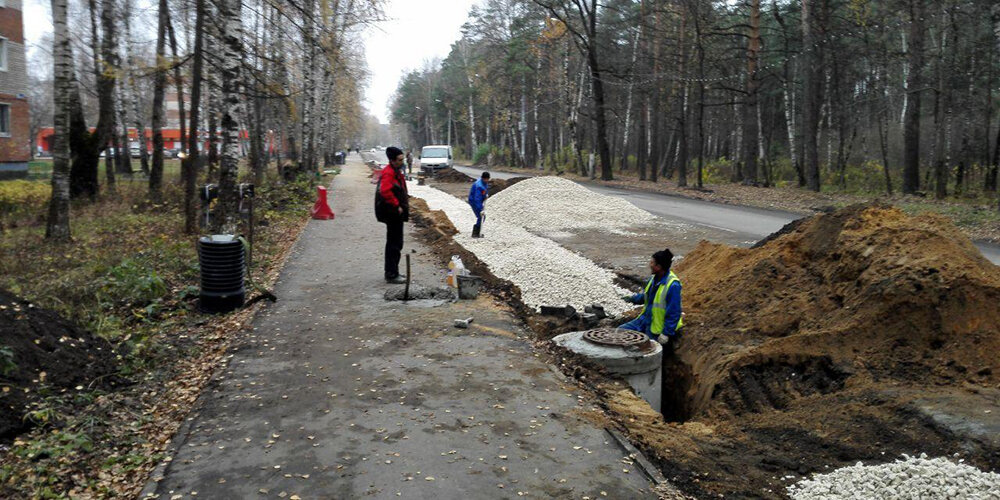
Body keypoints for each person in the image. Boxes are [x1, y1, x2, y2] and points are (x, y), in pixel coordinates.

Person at [620, 249, 682, 345]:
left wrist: (666, 333)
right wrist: (631, 299)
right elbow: (646, 296)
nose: (650, 264)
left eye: (652, 262)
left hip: (656, 327)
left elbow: (674, 312)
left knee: (646, 348)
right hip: (644, 319)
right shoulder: (654, 279)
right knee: (620, 332)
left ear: (659, 267)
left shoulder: (673, 285)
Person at [375, 146, 409, 284]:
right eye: (400, 159)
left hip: (395, 213)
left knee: (395, 243)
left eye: (403, 158)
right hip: (392, 213)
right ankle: (391, 274)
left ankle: (392, 271)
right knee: (394, 244)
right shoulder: (389, 173)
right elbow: (385, 191)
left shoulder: (396, 171)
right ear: (392, 160)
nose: (402, 161)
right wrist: (397, 205)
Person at [467, 171, 490, 238]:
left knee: (482, 217)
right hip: (474, 202)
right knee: (481, 216)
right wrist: (480, 209)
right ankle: (475, 233)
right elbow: (477, 199)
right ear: (483, 178)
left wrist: (485, 195)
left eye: (488, 179)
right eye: (486, 179)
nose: (487, 180)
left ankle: (478, 232)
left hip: (479, 201)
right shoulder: (479, 186)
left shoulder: (484, 183)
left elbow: (484, 191)